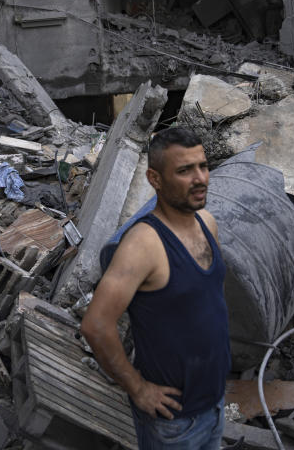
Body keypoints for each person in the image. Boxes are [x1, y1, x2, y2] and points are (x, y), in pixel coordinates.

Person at [81, 127, 229, 450]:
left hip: (215, 405)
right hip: (174, 424)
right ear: (155, 179)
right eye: (184, 171)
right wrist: (137, 388)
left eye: (203, 166)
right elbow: (95, 325)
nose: (200, 178)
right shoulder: (143, 245)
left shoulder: (207, 222)